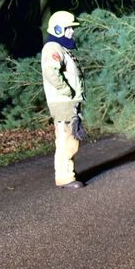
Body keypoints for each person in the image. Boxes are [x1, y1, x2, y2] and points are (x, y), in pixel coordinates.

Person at [40, 10, 85, 188]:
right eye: (69, 29)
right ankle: (65, 177)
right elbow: (51, 71)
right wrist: (66, 90)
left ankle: (67, 171)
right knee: (66, 138)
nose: (72, 32)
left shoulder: (62, 48)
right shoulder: (53, 47)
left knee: (70, 139)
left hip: (69, 101)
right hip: (63, 102)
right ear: (58, 29)